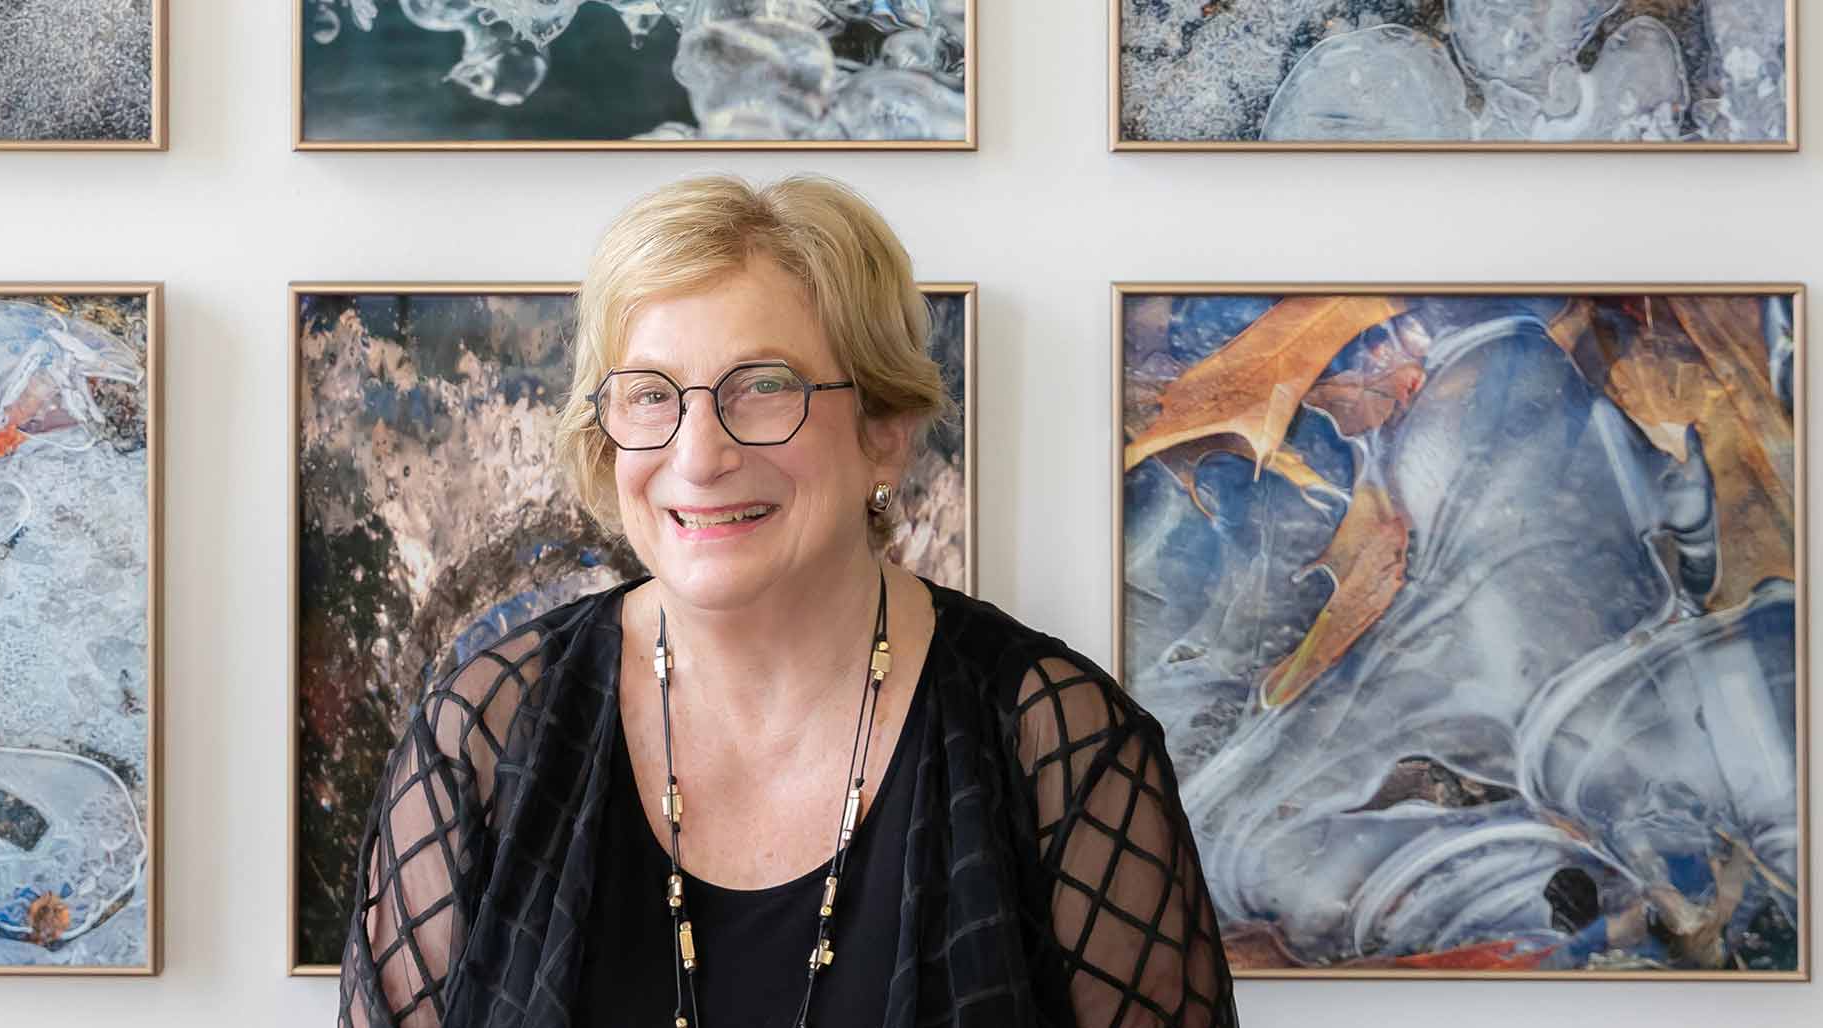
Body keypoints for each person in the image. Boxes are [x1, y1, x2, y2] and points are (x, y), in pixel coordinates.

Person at [339, 174, 1237, 1028]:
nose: (698, 456)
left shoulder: (1056, 743)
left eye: (764, 387)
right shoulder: (487, 730)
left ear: (884, 430)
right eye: (652, 395)